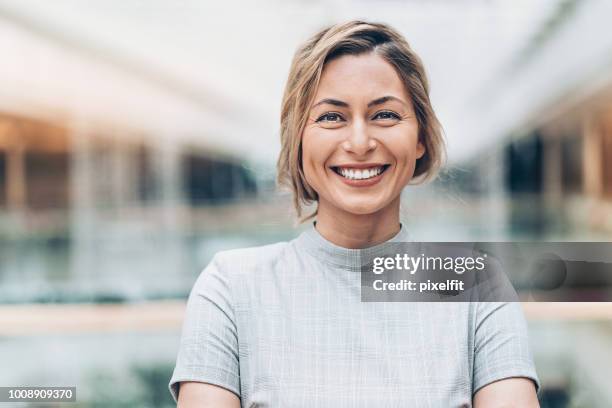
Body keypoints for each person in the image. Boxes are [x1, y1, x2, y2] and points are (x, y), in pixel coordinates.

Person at [169, 20, 540, 407]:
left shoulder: (478, 287)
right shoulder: (230, 287)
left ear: (420, 139)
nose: (359, 143)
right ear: (297, 140)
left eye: (385, 115)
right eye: (331, 117)